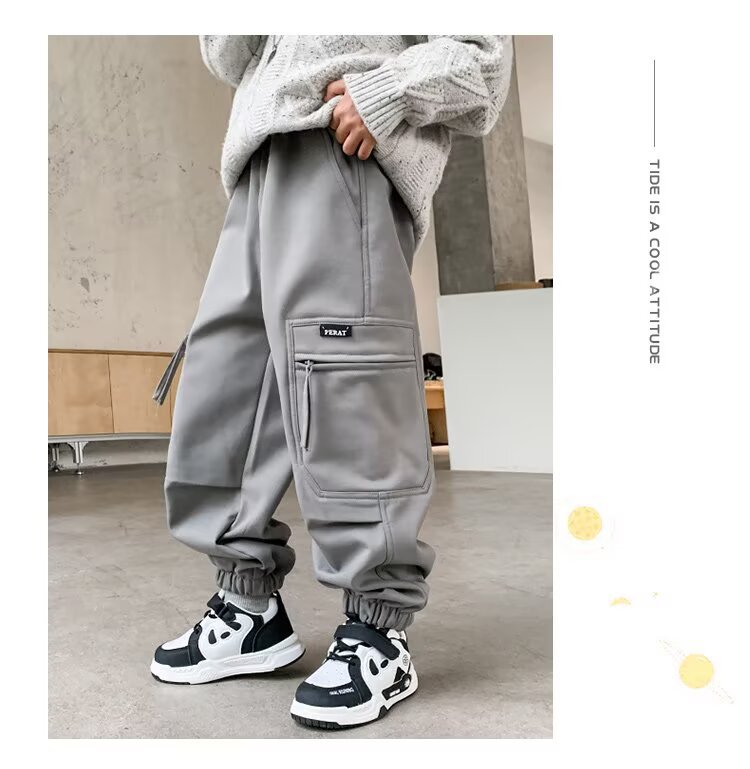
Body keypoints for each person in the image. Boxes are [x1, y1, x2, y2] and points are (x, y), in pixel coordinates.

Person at [151, 34, 512, 730]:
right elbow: (228, 55)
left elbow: (485, 60)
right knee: (228, 385)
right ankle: (248, 607)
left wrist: (388, 92)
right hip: (257, 157)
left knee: (346, 386)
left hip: (345, 144)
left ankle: (379, 631)